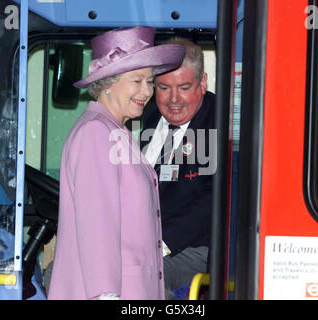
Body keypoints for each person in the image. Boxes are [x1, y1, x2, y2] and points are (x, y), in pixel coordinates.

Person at [47, 26, 185, 300]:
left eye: (149, 81)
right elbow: (96, 225)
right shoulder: (95, 133)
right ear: (108, 83)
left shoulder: (113, 130)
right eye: (137, 81)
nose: (146, 91)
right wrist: (105, 294)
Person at [140, 37, 216, 299]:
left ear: (202, 83)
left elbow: (216, 199)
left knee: (139, 279)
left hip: (194, 247)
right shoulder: (148, 116)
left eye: (184, 87)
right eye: (163, 87)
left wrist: (158, 244)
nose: (174, 100)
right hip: (139, 238)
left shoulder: (223, 122)